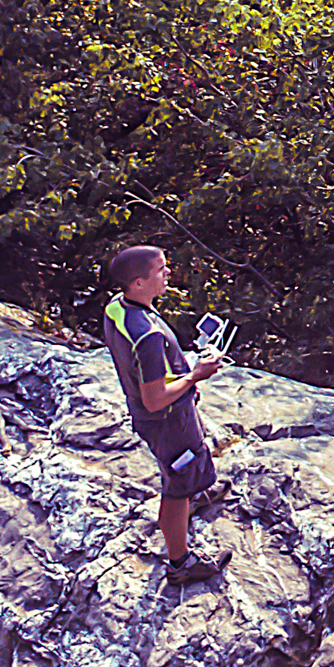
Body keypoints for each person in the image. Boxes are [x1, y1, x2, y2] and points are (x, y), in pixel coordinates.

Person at [103, 245, 232, 586]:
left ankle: (194, 490)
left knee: (185, 471)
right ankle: (180, 562)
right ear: (139, 283)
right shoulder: (147, 335)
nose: (168, 274)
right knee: (176, 486)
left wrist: (184, 382)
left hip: (166, 415)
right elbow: (155, 398)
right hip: (168, 421)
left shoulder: (118, 308)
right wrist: (194, 376)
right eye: (160, 271)